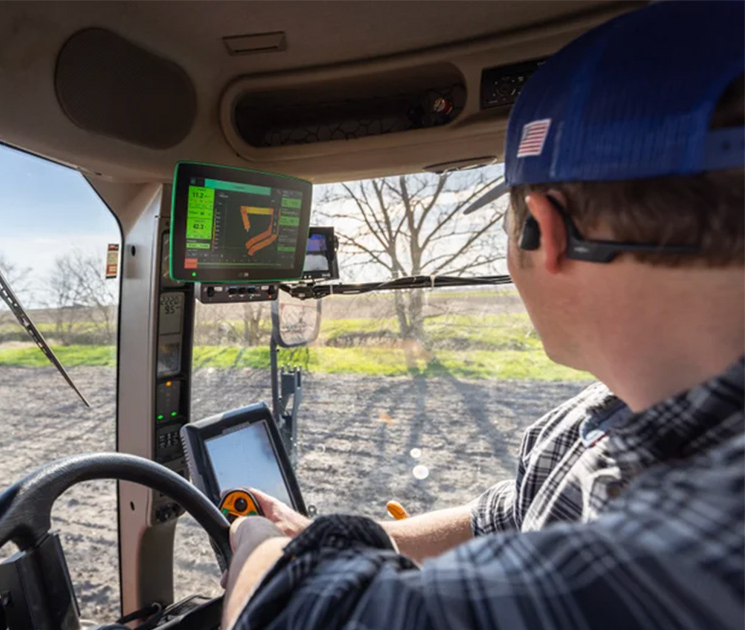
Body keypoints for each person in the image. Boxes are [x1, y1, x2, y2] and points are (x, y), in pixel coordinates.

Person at [221, 3, 745, 629]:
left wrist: (261, 549)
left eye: (508, 223)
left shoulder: (713, 535)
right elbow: (508, 514)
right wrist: (341, 537)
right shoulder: (606, 413)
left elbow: (296, 616)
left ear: (545, 232)